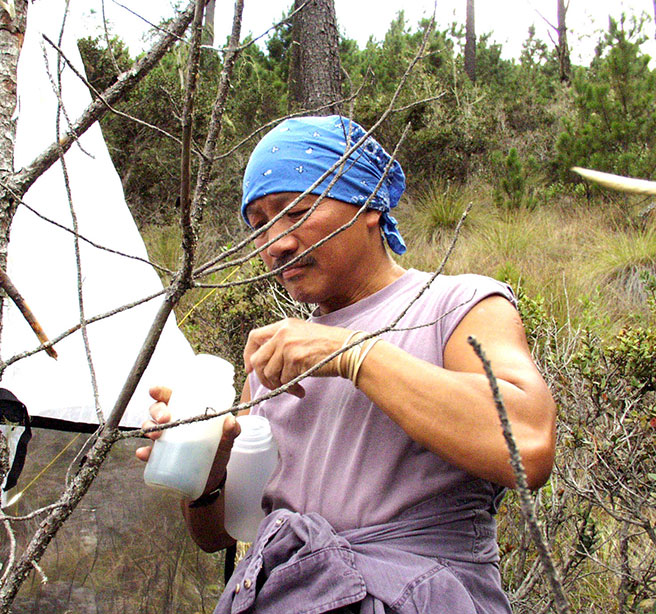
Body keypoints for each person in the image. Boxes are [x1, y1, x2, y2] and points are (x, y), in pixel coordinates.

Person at [136, 115, 556, 613]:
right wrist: (205, 473)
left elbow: (527, 445)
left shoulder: (456, 304)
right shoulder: (275, 358)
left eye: (297, 211)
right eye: (261, 225)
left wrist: (352, 353)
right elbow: (219, 535)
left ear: (369, 204)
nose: (277, 244)